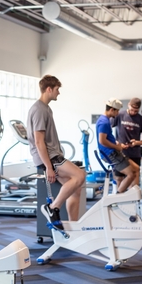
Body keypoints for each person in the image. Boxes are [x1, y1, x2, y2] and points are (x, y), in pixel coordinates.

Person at [27, 75, 85, 229]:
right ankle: (52, 208)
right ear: (49, 89)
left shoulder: (46, 108)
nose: (58, 93)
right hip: (50, 157)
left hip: (52, 155)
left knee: (76, 189)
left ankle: (73, 228)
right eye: (57, 89)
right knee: (80, 175)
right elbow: (39, 141)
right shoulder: (39, 110)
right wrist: (48, 167)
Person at [96, 98, 139, 193]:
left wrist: (118, 144)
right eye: (117, 111)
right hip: (110, 154)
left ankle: (133, 195)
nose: (118, 113)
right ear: (112, 110)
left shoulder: (105, 120)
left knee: (136, 168)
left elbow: (108, 137)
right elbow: (102, 141)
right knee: (131, 175)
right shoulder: (104, 122)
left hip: (113, 151)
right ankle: (117, 198)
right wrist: (117, 147)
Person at [112, 98, 142, 188]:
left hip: (134, 153)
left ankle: (133, 200)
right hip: (120, 153)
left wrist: (137, 143)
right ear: (128, 105)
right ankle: (119, 199)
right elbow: (107, 131)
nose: (133, 112)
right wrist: (116, 142)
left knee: (134, 176)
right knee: (119, 178)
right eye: (132, 110)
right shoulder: (120, 115)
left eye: (136, 111)